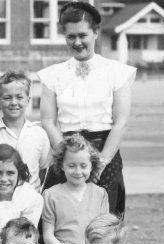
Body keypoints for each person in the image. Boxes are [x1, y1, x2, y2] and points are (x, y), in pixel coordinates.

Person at [38, 1, 136, 217]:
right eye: (71, 36)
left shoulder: (117, 72)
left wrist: (100, 163)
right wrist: (66, 157)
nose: (77, 42)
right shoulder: (52, 75)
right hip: (65, 154)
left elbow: (121, 123)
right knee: (62, 218)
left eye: (83, 35)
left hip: (104, 154)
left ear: (96, 33)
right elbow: (47, 122)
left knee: (102, 221)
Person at [42, 134, 109, 244]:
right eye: (71, 165)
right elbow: (48, 236)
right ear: (62, 165)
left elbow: (105, 233)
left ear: (91, 166)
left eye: (83, 166)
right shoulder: (51, 195)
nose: (78, 171)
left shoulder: (100, 194)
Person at [0, 69, 50, 192]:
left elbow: (43, 170)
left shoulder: (39, 134)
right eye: (7, 98)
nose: (13, 103)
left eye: (19, 97)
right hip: (0, 203)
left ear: (28, 100)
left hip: (31, 203)